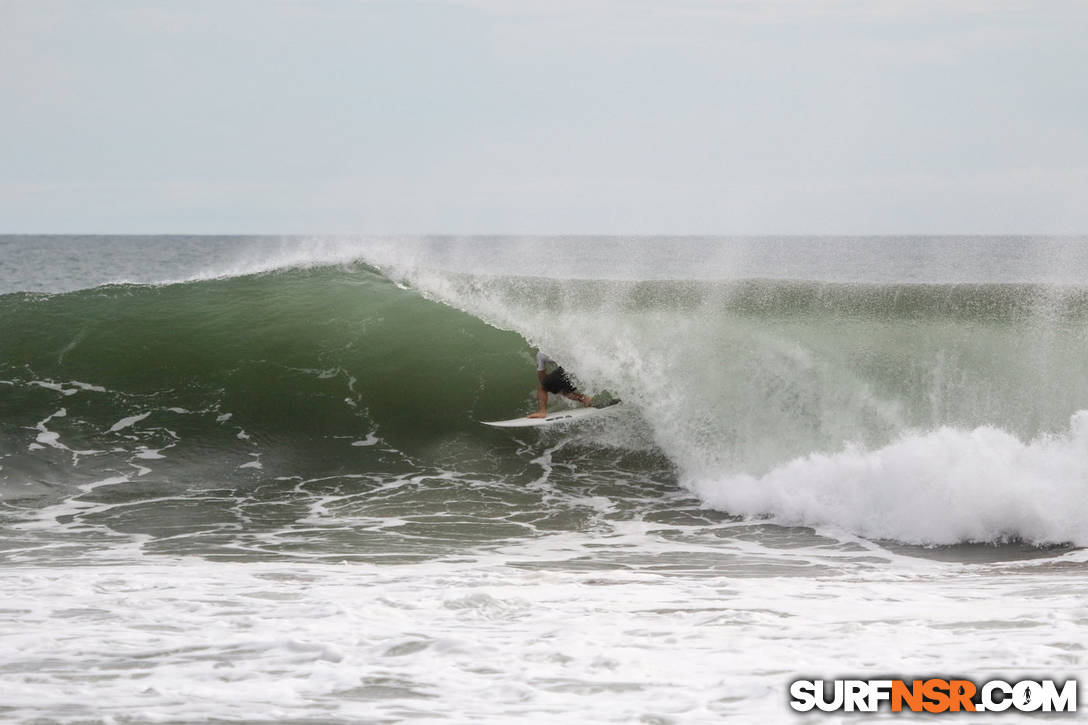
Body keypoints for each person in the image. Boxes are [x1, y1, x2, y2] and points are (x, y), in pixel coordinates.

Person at [528, 351, 593, 418]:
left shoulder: (541, 354)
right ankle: (585, 399)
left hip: (569, 369)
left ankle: (542, 412)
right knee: (564, 392)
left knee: (542, 389)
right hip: (582, 370)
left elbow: (541, 374)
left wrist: (546, 386)